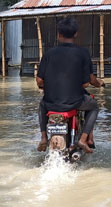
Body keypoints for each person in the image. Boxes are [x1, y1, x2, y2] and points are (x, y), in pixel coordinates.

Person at [35, 17, 104, 154]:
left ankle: (43, 138)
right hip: (75, 102)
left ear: (59, 34)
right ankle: (83, 139)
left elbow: (39, 81)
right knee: (94, 106)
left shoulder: (49, 54)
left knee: (42, 105)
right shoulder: (83, 53)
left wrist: (47, 86)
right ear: (76, 34)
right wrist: (99, 83)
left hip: (51, 103)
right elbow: (88, 81)